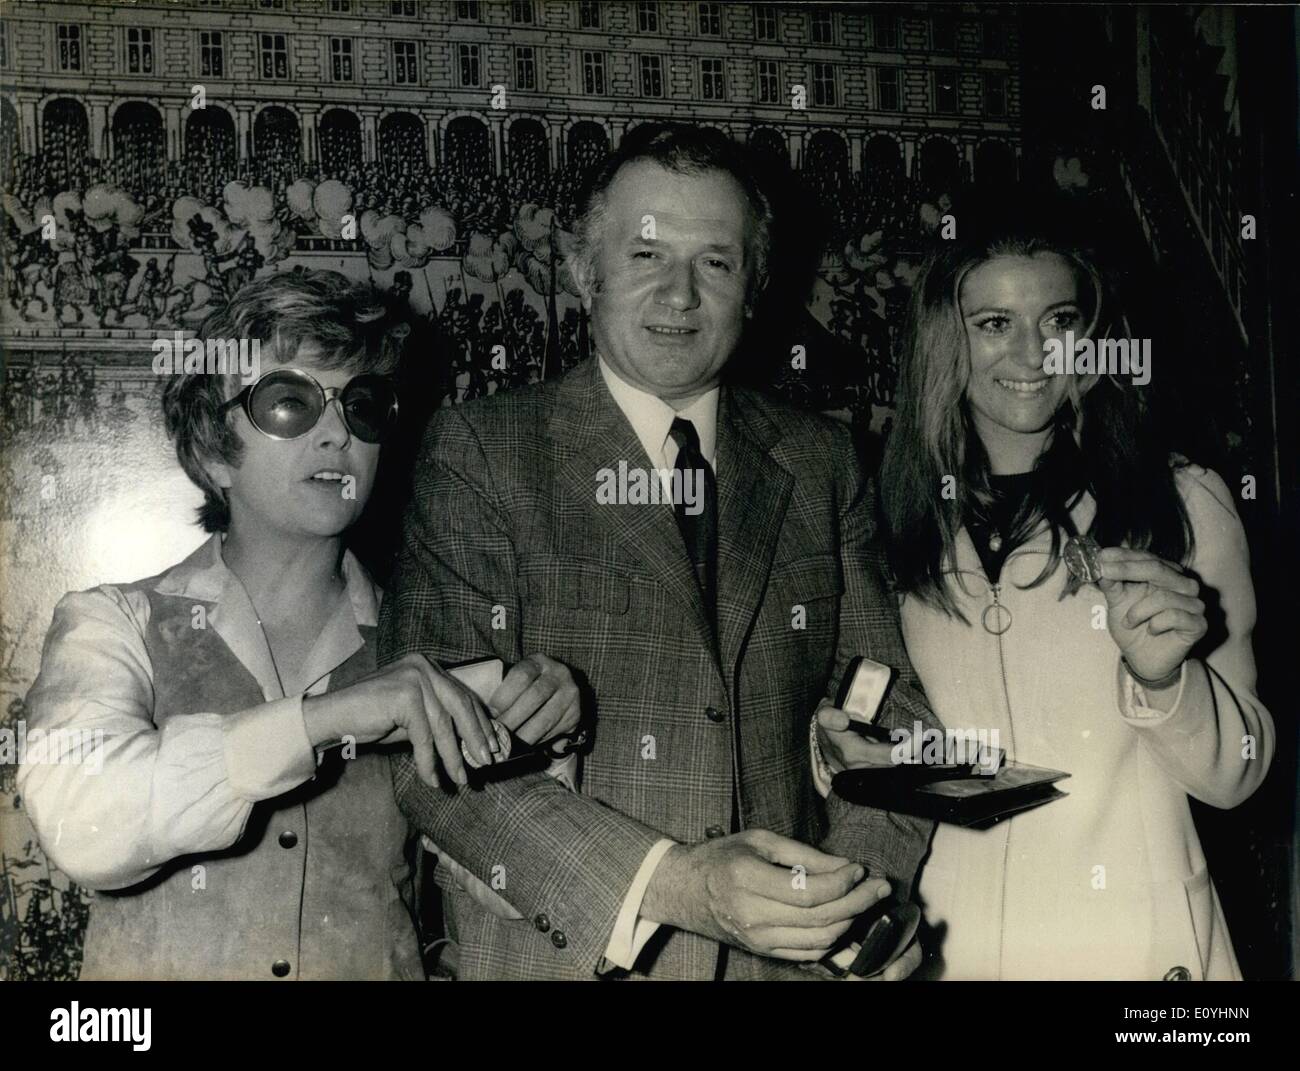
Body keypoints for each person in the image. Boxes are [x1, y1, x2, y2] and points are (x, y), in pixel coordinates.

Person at [378, 123, 942, 981]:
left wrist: (848, 906)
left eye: (715, 262)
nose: (679, 295)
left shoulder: (821, 459)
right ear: (582, 269)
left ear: (753, 286)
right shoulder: (482, 452)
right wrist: (673, 884)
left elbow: (889, 711)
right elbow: (433, 762)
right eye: (646, 256)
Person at [19, 270, 580, 980]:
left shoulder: (426, 649)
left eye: (364, 406)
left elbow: (510, 895)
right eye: (291, 403)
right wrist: (320, 719)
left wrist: (546, 740)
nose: (337, 434)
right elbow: (85, 822)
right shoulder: (112, 621)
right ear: (214, 448)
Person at [818, 206, 1274, 979]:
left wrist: (1168, 680)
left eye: (1058, 319)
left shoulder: (1181, 503)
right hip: (947, 947)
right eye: (994, 322)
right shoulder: (893, 517)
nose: (1031, 353)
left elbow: (1243, 768)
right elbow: (870, 721)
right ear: (946, 343)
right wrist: (838, 750)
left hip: (1135, 943)